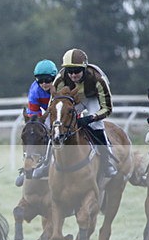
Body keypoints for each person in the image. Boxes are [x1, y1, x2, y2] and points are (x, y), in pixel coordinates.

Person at [52, 48, 117, 178]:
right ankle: (49, 160)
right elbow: (54, 105)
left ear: (84, 69)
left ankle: (107, 160)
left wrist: (91, 118)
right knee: (58, 123)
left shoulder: (98, 79)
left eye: (76, 71)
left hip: (92, 99)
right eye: (70, 71)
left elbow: (107, 108)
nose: (73, 75)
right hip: (72, 101)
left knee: (96, 125)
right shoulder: (60, 79)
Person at [15, 59, 57, 186]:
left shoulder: (61, 85)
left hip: (64, 110)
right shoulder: (34, 90)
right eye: (40, 80)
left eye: (48, 80)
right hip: (46, 110)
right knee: (35, 132)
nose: (44, 84)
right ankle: (30, 165)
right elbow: (34, 116)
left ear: (54, 78)